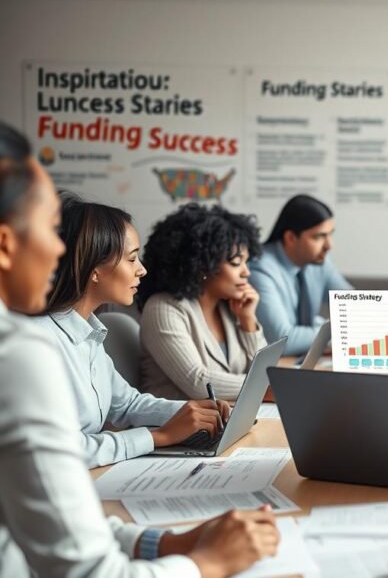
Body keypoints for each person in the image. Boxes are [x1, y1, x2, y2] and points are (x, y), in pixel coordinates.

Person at [0, 121, 278, 577]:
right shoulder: (21, 351)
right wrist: (205, 563)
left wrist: (165, 541)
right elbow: (87, 569)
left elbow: (41, 518)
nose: (58, 249)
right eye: (50, 229)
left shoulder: (90, 332)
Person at [35, 194, 232, 468]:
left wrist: (197, 413)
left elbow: (128, 405)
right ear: (94, 271)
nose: (142, 270)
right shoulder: (40, 345)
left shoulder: (88, 332)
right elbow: (63, 450)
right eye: (131, 259)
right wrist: (158, 437)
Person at [137, 204, 268, 401]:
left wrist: (248, 321)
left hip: (228, 420)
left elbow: (266, 372)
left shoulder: (230, 307)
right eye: (235, 263)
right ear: (201, 265)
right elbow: (198, 383)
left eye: (246, 262)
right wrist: (265, 388)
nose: (246, 272)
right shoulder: (163, 308)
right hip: (176, 427)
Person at [249, 194, 353, 356]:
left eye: (330, 234)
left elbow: (355, 307)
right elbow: (282, 341)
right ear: (290, 238)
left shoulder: (318, 260)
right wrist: (340, 331)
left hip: (302, 362)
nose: (329, 245)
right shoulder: (259, 269)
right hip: (273, 368)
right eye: (319, 236)